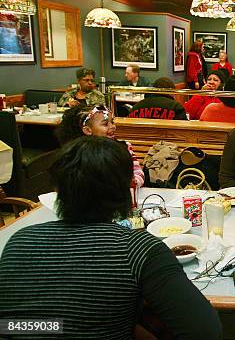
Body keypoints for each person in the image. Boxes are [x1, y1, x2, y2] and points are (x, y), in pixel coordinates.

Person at [0, 137, 222, 339]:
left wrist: (61, 327)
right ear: (125, 190)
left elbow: (9, 325)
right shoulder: (137, 248)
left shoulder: (20, 241)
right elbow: (206, 332)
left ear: (58, 189)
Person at [57, 104, 144, 188]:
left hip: (120, 197)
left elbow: (138, 171)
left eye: (112, 122)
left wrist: (133, 182)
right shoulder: (81, 154)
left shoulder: (125, 147)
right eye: (105, 124)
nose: (113, 126)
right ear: (87, 130)